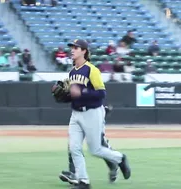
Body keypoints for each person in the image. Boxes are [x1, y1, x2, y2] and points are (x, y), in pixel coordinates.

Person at [65, 39, 131, 189]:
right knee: (74, 147)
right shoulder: (72, 72)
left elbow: (101, 93)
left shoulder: (91, 70)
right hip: (76, 114)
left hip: (92, 113)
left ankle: (120, 158)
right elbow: (74, 95)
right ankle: (83, 182)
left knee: (95, 149)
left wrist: (81, 92)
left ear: (84, 51)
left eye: (76, 47)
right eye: (72, 47)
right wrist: (65, 95)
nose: (72, 50)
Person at [59, 105, 118, 185]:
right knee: (73, 144)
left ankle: (113, 163)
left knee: (99, 145)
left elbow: (99, 94)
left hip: (94, 114)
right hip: (79, 113)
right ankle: (75, 173)